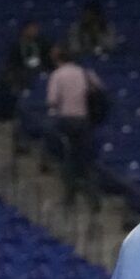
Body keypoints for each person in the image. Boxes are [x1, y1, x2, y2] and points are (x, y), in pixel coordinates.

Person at [46, 47, 102, 203]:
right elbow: (99, 90)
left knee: (69, 155)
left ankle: (70, 194)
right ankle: (93, 196)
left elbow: (52, 100)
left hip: (67, 120)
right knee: (86, 158)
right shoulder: (85, 73)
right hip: (84, 120)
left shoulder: (58, 75)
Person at [0, 18, 49, 120]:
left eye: (36, 29)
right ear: (25, 30)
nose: (35, 31)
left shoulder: (42, 44)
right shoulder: (16, 45)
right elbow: (12, 64)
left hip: (38, 73)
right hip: (21, 75)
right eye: (32, 29)